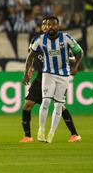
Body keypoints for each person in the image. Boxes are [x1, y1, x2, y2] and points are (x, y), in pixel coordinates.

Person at [23, 15, 84, 143]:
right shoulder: (37, 40)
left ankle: (74, 134)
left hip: (59, 75)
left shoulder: (64, 40)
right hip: (42, 76)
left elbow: (74, 55)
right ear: (42, 27)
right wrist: (29, 70)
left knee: (59, 106)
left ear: (57, 26)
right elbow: (31, 56)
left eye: (51, 24)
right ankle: (28, 136)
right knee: (28, 105)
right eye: (45, 25)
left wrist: (74, 65)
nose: (48, 27)